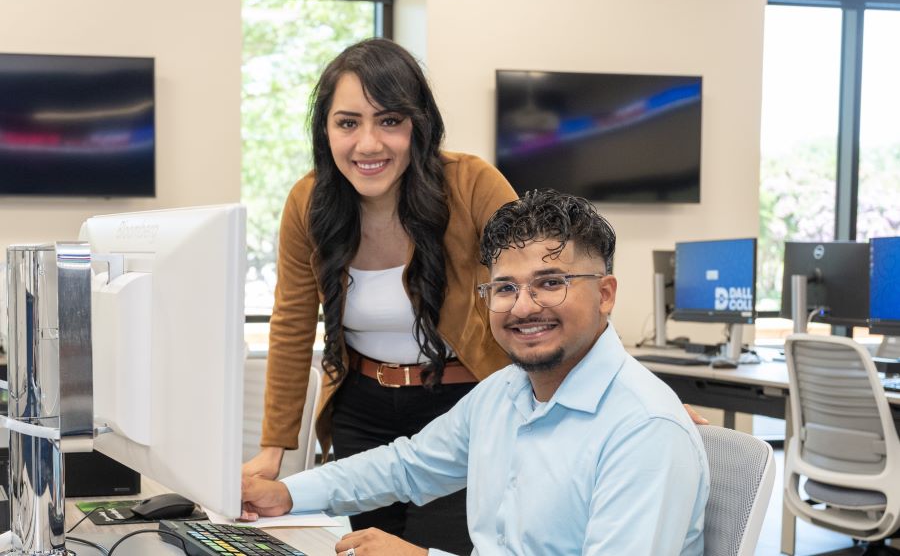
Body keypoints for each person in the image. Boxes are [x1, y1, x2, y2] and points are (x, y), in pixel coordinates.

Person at [242, 189, 711, 556]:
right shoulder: (505, 393)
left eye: (551, 283)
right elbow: (406, 466)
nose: (524, 307)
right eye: (505, 288)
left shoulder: (645, 431)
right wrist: (285, 493)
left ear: (606, 294)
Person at [242, 37, 517, 554]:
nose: (368, 144)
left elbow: (547, 284)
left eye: (389, 120)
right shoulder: (309, 201)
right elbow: (293, 323)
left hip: (463, 405)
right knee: (364, 548)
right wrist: (271, 448)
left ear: (419, 125)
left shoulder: (472, 184)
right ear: (326, 131)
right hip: (361, 409)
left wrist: (615, 387)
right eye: (348, 123)